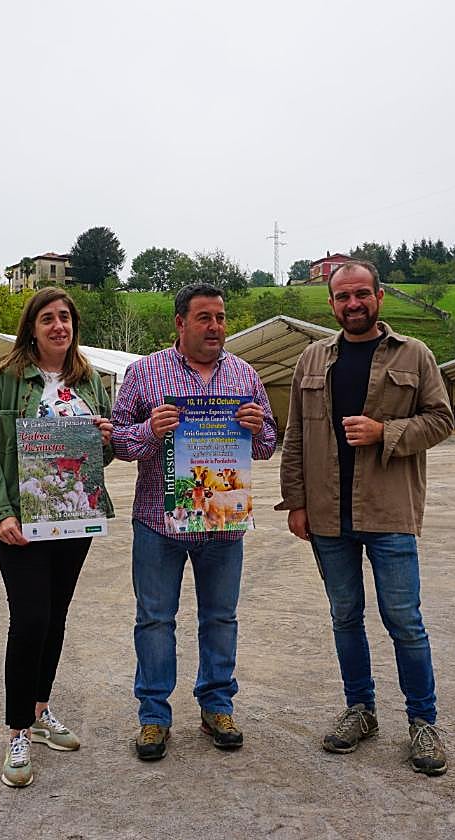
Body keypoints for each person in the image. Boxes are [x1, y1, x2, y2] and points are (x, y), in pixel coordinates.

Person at [275, 259, 454, 776]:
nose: (352, 304)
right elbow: (295, 439)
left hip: (389, 511)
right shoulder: (311, 359)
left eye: (361, 294)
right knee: (345, 617)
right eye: (342, 297)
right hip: (328, 515)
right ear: (330, 304)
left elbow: (441, 419)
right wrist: (297, 502)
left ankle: (423, 722)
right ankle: (361, 709)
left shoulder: (414, 355)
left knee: (404, 620)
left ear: (379, 297)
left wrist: (386, 433)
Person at [111, 282, 277, 760]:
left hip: (223, 523)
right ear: (180, 323)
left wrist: (256, 427)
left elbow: (268, 443)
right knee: (155, 620)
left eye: (221, 318)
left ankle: (217, 705)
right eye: (204, 318)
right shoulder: (144, 373)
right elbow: (118, 442)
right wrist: (149, 430)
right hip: (159, 523)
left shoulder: (245, 375)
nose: (216, 327)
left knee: (221, 618)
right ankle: (153, 717)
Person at [0, 287, 116, 788]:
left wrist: (105, 439)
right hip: (23, 523)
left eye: (66, 318)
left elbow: (100, 457)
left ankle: (41, 709)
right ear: (32, 326)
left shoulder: (90, 380)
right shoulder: (5, 381)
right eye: (48, 318)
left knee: (54, 619)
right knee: (29, 619)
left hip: (74, 519)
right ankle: (17, 731)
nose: (59, 326)